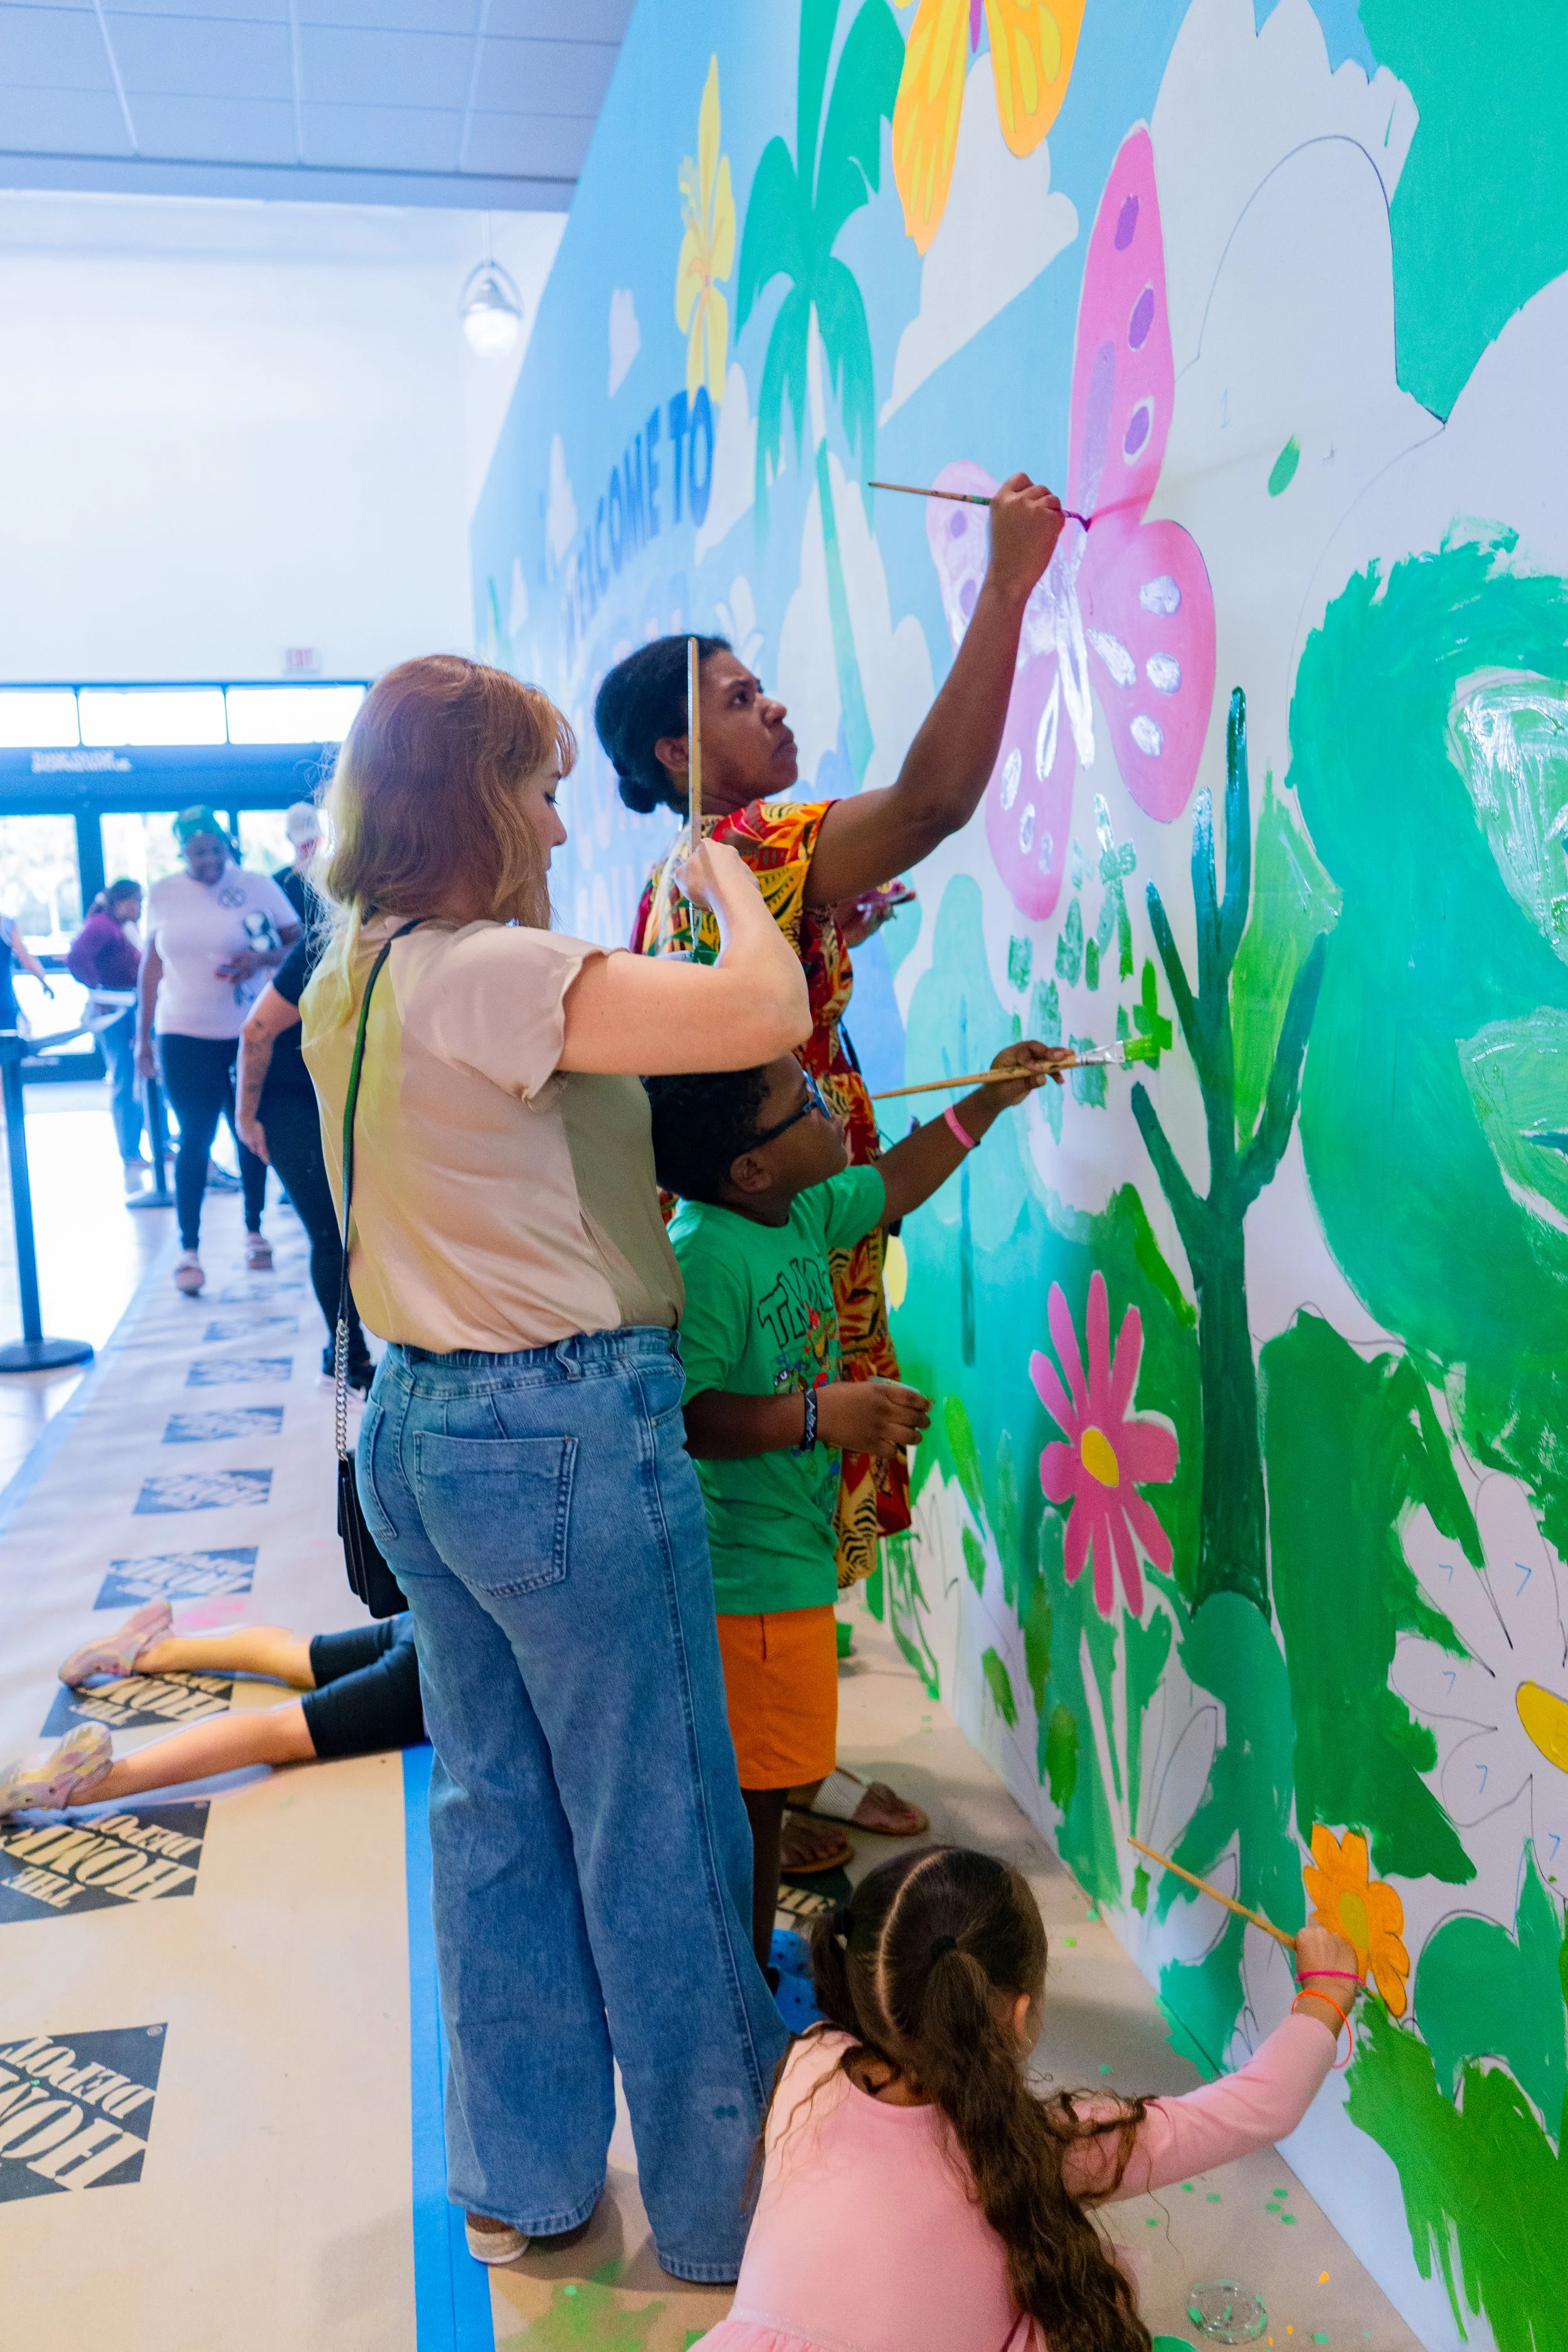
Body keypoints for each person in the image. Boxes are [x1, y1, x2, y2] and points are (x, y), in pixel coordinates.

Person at [300, 654, 810, 2280]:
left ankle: (522, 2177)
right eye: (532, 783)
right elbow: (763, 1009)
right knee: (657, 1819)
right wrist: (717, 858)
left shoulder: (354, 972)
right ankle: (732, 2208)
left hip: (423, 1430)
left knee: (500, 1813)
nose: (555, 808)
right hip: (562, 1435)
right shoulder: (490, 970)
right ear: (471, 800)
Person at [595, 475, 1064, 1868]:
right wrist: (1006, 584)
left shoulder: (694, 877)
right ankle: (764, 1790)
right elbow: (931, 798)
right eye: (742, 701)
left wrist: (836, 918)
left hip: (807, 1229)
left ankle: (782, 1768)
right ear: (680, 755)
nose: (776, 710)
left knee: (799, 1526)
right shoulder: (739, 850)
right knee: (779, 1517)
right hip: (791, 1241)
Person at [647, 1042, 1067, 1970]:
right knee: (759, 1793)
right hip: (748, 1572)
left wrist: (988, 1103)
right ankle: (744, 1981)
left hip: (785, 1554)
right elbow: (689, 1412)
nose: (827, 1098)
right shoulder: (711, 1254)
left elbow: (892, 1185)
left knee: (774, 1777)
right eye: (803, 1100)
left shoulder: (792, 1206)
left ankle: (742, 1958)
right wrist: (819, 1413)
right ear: (751, 1165)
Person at [696, 1846, 1367, 2352]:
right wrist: (1325, 1992)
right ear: (1019, 2016)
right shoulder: (1044, 2145)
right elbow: (1261, 2107)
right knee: (1084, 2282)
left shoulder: (808, 2058)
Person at [0, 1600, 423, 1818]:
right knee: (282, 1731)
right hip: (456, 1661)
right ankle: (82, 1785)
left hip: (426, 1622)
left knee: (297, 1652)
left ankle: (155, 1650)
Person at [135, 808, 300, 1295]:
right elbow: (151, 966)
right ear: (182, 851)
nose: (209, 858)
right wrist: (142, 1038)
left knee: (249, 1128)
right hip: (182, 1033)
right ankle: (189, 1249)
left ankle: (254, 1230)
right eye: (197, 851)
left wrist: (260, 961)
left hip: (248, 1031)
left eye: (215, 848)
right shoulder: (163, 894)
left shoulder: (257, 886)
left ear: (227, 844)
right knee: (195, 1137)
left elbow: (299, 943)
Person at [237, 937, 374, 1391]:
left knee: (355, 1230)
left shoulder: (413, 939)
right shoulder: (327, 945)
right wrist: (246, 1116)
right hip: (289, 1101)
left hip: (342, 1098)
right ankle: (346, 1360)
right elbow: (256, 1029)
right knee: (330, 1233)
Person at [68, 879, 147, 1195]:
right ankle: (130, 1151)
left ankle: (152, 1144)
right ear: (122, 901)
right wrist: (97, 990)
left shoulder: (115, 926)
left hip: (128, 1009)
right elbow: (76, 958)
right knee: (126, 1077)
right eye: (136, 901)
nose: (140, 908)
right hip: (115, 1013)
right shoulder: (102, 926)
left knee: (141, 1078)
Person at [273, 802, 327, 945]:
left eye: (312, 841)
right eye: (305, 843)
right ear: (290, 838)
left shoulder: (334, 878)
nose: (309, 848)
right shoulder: (278, 883)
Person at [0, 907, 55, 1036]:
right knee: (7, 1047)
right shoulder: (5, 923)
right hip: (3, 1002)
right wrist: (43, 980)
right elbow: (25, 959)